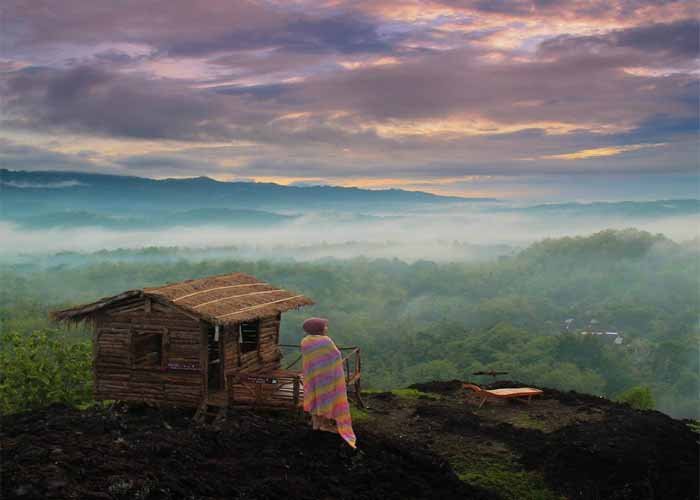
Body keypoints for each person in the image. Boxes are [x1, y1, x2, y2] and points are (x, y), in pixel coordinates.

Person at [300, 317, 357, 448]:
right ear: (318, 328)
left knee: (314, 397)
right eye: (324, 326)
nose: (327, 328)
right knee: (325, 398)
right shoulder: (325, 341)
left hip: (312, 375)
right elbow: (336, 355)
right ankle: (324, 425)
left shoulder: (305, 341)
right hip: (326, 377)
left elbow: (310, 358)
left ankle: (316, 424)